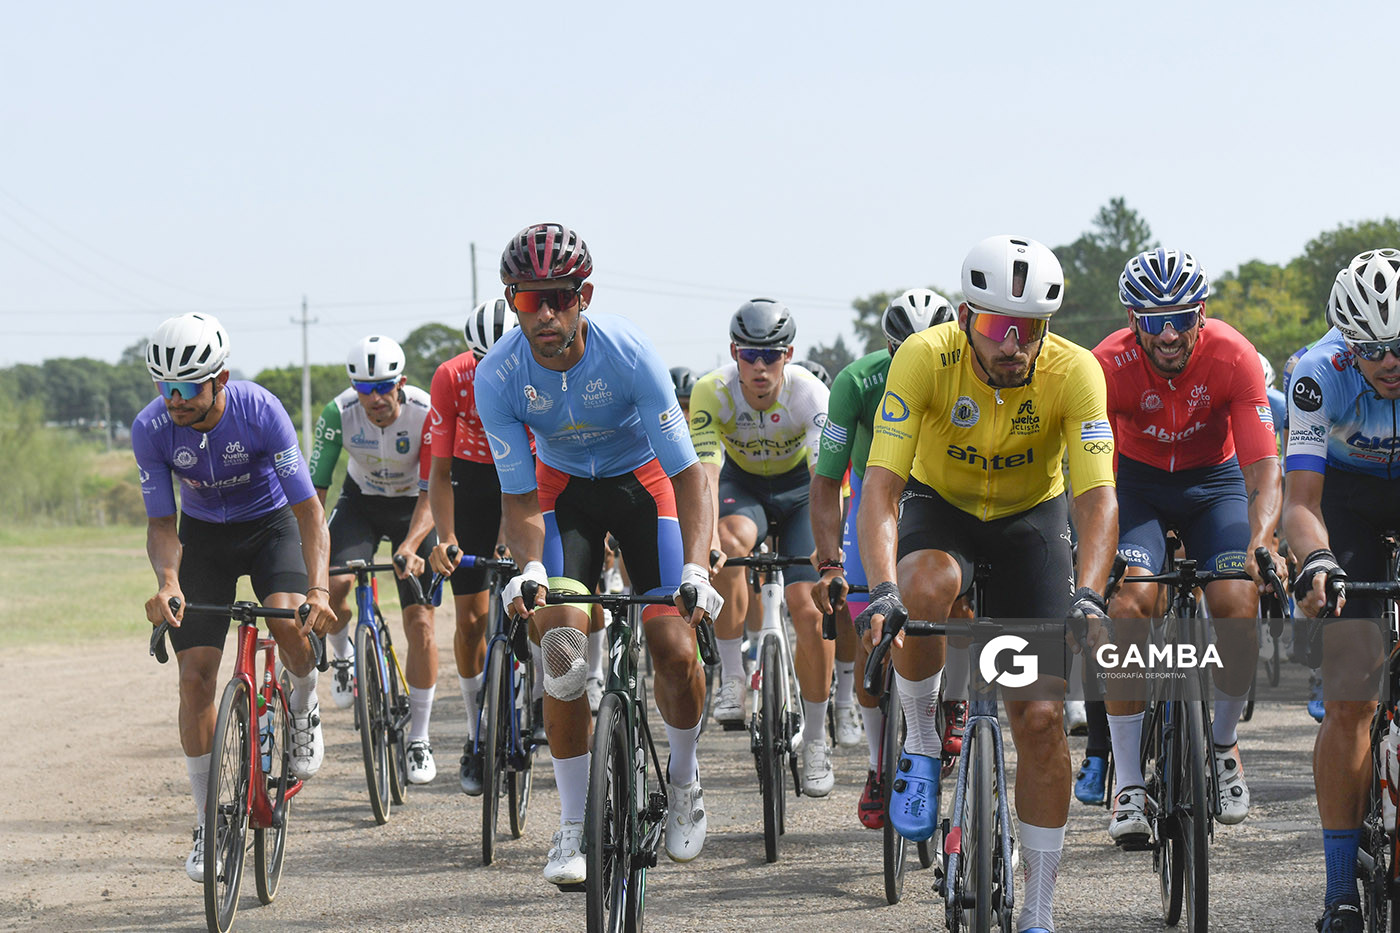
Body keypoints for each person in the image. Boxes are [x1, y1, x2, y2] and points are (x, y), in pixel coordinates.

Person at [858, 235, 1117, 933]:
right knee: (922, 587)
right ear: (968, 315)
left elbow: (1096, 499)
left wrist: (1089, 591)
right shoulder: (923, 357)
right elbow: (881, 489)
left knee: (1038, 719)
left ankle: (1038, 909)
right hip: (942, 510)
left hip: (1033, 522)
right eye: (999, 327)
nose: (1014, 344)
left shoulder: (1076, 372)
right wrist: (880, 588)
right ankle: (917, 739)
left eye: (1028, 329)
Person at [473, 222, 723, 886]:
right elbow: (520, 496)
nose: (546, 313)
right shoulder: (498, 374)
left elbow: (690, 475)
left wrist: (695, 566)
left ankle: (687, 778)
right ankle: (572, 825)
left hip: (642, 486)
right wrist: (529, 565)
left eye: (560, 297)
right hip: (562, 497)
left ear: (584, 295)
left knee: (673, 646)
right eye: (530, 300)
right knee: (559, 649)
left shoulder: (628, 353)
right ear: (512, 299)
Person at [133, 312, 334, 882]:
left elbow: (309, 512)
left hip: (271, 527)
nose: (174, 399)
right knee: (194, 677)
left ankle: (303, 701)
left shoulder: (260, 410)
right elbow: (160, 523)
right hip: (205, 540)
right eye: (164, 386)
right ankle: (206, 823)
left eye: (186, 387)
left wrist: (317, 588)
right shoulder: (151, 428)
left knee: (290, 625)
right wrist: (168, 582)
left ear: (219, 378)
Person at [1092, 248, 1282, 845]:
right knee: (1129, 605)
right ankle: (1127, 782)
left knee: (1235, 600)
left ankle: (1223, 747)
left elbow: (1263, 471)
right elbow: (1088, 474)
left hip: (1214, 483)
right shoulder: (1106, 364)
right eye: (1153, 320)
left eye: (1182, 317)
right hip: (1136, 484)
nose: (1169, 333)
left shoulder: (1234, 355)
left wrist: (1261, 542)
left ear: (1203, 314)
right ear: (1132, 320)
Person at [809, 287, 957, 828]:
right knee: (866, 624)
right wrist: (829, 564)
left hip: (939, 494)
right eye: (902, 352)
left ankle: (954, 696)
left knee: (954, 593)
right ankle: (878, 764)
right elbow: (826, 481)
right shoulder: (855, 382)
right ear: (888, 348)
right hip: (878, 493)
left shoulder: (968, 373)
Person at [1283, 249, 1400, 933]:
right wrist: (1318, 559)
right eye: (1376, 349)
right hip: (1345, 502)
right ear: (1350, 344)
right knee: (1352, 693)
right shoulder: (1315, 374)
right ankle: (1339, 893)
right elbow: (1301, 501)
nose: (1391, 361)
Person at [689, 299, 836, 793]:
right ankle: (732, 678)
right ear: (734, 352)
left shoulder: (810, 394)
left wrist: (827, 547)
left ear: (787, 354)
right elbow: (705, 475)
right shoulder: (712, 391)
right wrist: (706, 538)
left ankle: (816, 740)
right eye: (749, 355)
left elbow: (827, 479)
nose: (758, 366)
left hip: (801, 494)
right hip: (741, 488)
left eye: (770, 356)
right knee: (728, 545)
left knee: (809, 609)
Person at [308, 335, 440, 783]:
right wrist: (311, 553)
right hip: (361, 502)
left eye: (384, 387)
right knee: (336, 584)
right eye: (365, 390)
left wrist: (410, 544)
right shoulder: (337, 414)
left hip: (415, 509)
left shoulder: (425, 411)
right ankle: (344, 656)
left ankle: (419, 739)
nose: (375, 399)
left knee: (421, 622)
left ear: (400, 382)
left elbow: (433, 490)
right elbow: (315, 494)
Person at [425, 298, 518, 795]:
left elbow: (532, 473)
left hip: (527, 478)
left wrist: (511, 536)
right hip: (472, 483)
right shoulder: (451, 377)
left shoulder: (538, 369)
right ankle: (476, 732)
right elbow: (439, 473)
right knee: (471, 621)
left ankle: (542, 693)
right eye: (484, 363)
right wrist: (447, 538)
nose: (493, 372)